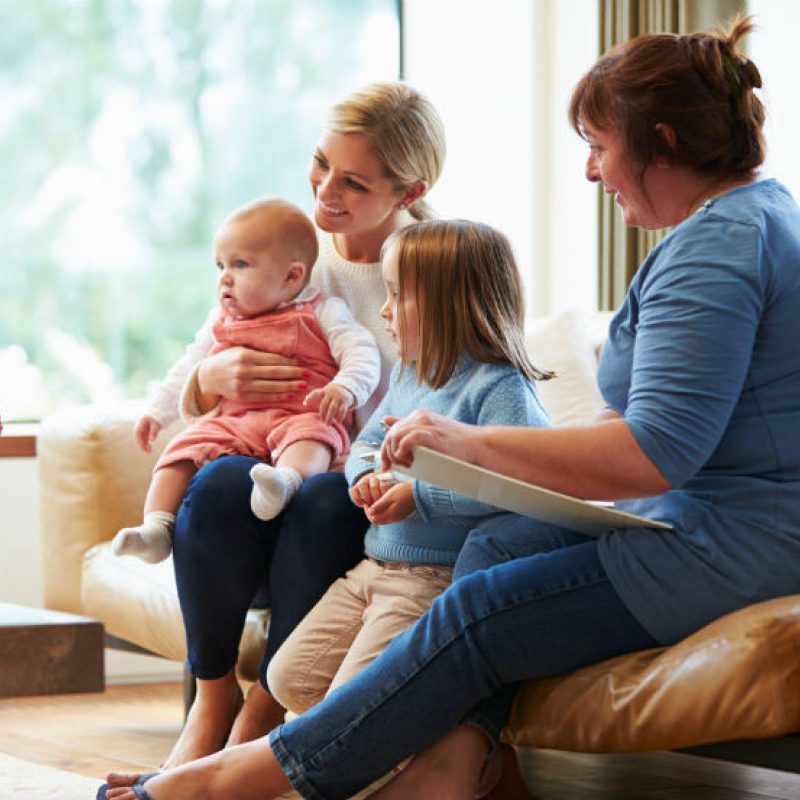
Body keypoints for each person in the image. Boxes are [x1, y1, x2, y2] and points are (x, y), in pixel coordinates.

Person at [99, 15, 800, 800]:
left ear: (662, 140)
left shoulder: (717, 249)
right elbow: (638, 427)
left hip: (729, 544)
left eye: (599, 147)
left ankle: (237, 778)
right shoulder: (737, 224)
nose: (592, 172)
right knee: (500, 543)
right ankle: (458, 764)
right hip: (695, 519)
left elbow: (653, 453)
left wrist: (467, 444)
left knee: (486, 607)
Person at [108, 81, 447, 774]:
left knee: (324, 500)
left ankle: (263, 710)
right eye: (321, 163)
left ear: (408, 190)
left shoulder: (433, 267)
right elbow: (206, 360)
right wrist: (208, 382)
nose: (325, 191)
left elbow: (455, 396)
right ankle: (212, 697)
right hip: (263, 467)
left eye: (352, 182)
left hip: (358, 485)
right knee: (222, 481)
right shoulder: (292, 252)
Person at [267, 219, 551, 722]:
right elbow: (365, 446)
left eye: (397, 295)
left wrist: (419, 496)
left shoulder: (501, 388)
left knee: (348, 705)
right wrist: (365, 478)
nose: (383, 310)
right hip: (372, 567)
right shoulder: (410, 374)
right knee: (286, 678)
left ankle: (362, 762)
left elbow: (520, 488)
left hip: (430, 581)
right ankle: (383, 746)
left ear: (451, 304)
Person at [112, 198, 380, 564]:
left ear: (292, 276)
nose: (224, 277)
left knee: (315, 437)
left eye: (240, 265)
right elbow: (189, 363)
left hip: (299, 413)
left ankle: (285, 482)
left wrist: (346, 387)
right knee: (185, 448)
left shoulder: (322, 310)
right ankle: (157, 527)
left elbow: (362, 352)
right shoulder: (220, 319)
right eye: (220, 264)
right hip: (236, 423)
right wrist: (157, 412)